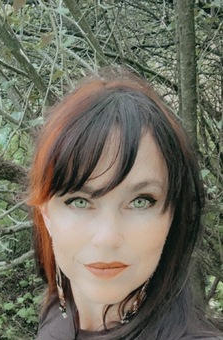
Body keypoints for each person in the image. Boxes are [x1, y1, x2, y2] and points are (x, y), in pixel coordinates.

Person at [28, 68, 221, 339]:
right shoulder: (59, 314)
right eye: (79, 201)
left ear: (172, 215)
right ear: (46, 213)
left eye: (141, 201)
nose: (107, 238)